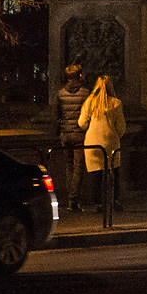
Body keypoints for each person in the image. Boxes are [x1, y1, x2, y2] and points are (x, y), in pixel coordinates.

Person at [79, 74, 125, 216]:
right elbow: (121, 127)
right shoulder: (116, 103)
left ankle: (97, 203)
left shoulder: (89, 102)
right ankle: (114, 200)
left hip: (93, 143)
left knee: (95, 174)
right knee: (113, 171)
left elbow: (81, 123)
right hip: (110, 141)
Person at [54, 65, 91, 210]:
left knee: (69, 166)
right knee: (78, 167)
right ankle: (73, 199)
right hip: (79, 134)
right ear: (79, 76)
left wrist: (60, 131)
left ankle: (70, 196)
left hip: (65, 134)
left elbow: (56, 115)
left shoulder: (61, 93)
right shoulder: (85, 94)